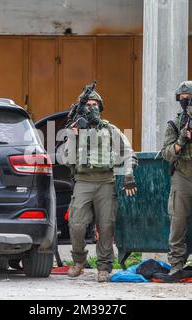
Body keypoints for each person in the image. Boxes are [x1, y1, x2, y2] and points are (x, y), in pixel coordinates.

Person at [62, 90, 138, 283]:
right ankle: (79, 261)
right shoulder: (74, 129)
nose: (92, 107)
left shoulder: (110, 129)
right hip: (83, 182)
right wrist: (72, 136)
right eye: (88, 104)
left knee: (106, 226)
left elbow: (128, 153)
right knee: (76, 224)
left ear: (101, 107)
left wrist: (128, 174)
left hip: (106, 182)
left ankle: (104, 267)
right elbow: (64, 159)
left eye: (95, 104)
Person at [161, 81, 192, 275]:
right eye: (182, 98)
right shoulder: (175, 123)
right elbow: (166, 152)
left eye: (189, 97)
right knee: (177, 223)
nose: (186, 100)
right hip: (183, 178)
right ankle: (176, 263)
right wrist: (181, 140)